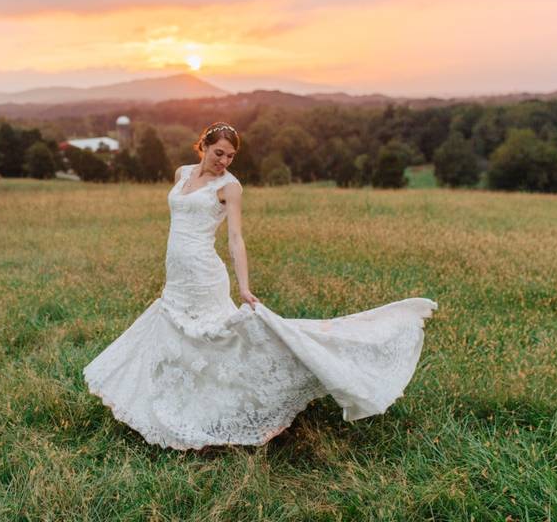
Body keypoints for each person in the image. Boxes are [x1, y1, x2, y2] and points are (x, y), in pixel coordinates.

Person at [83, 122, 436, 450]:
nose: (223, 161)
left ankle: (244, 401)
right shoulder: (182, 174)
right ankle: (177, 403)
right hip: (177, 275)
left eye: (230, 156)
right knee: (179, 338)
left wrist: (244, 288)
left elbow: (235, 239)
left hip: (206, 275)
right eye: (218, 152)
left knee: (214, 340)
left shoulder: (230, 187)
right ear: (203, 146)